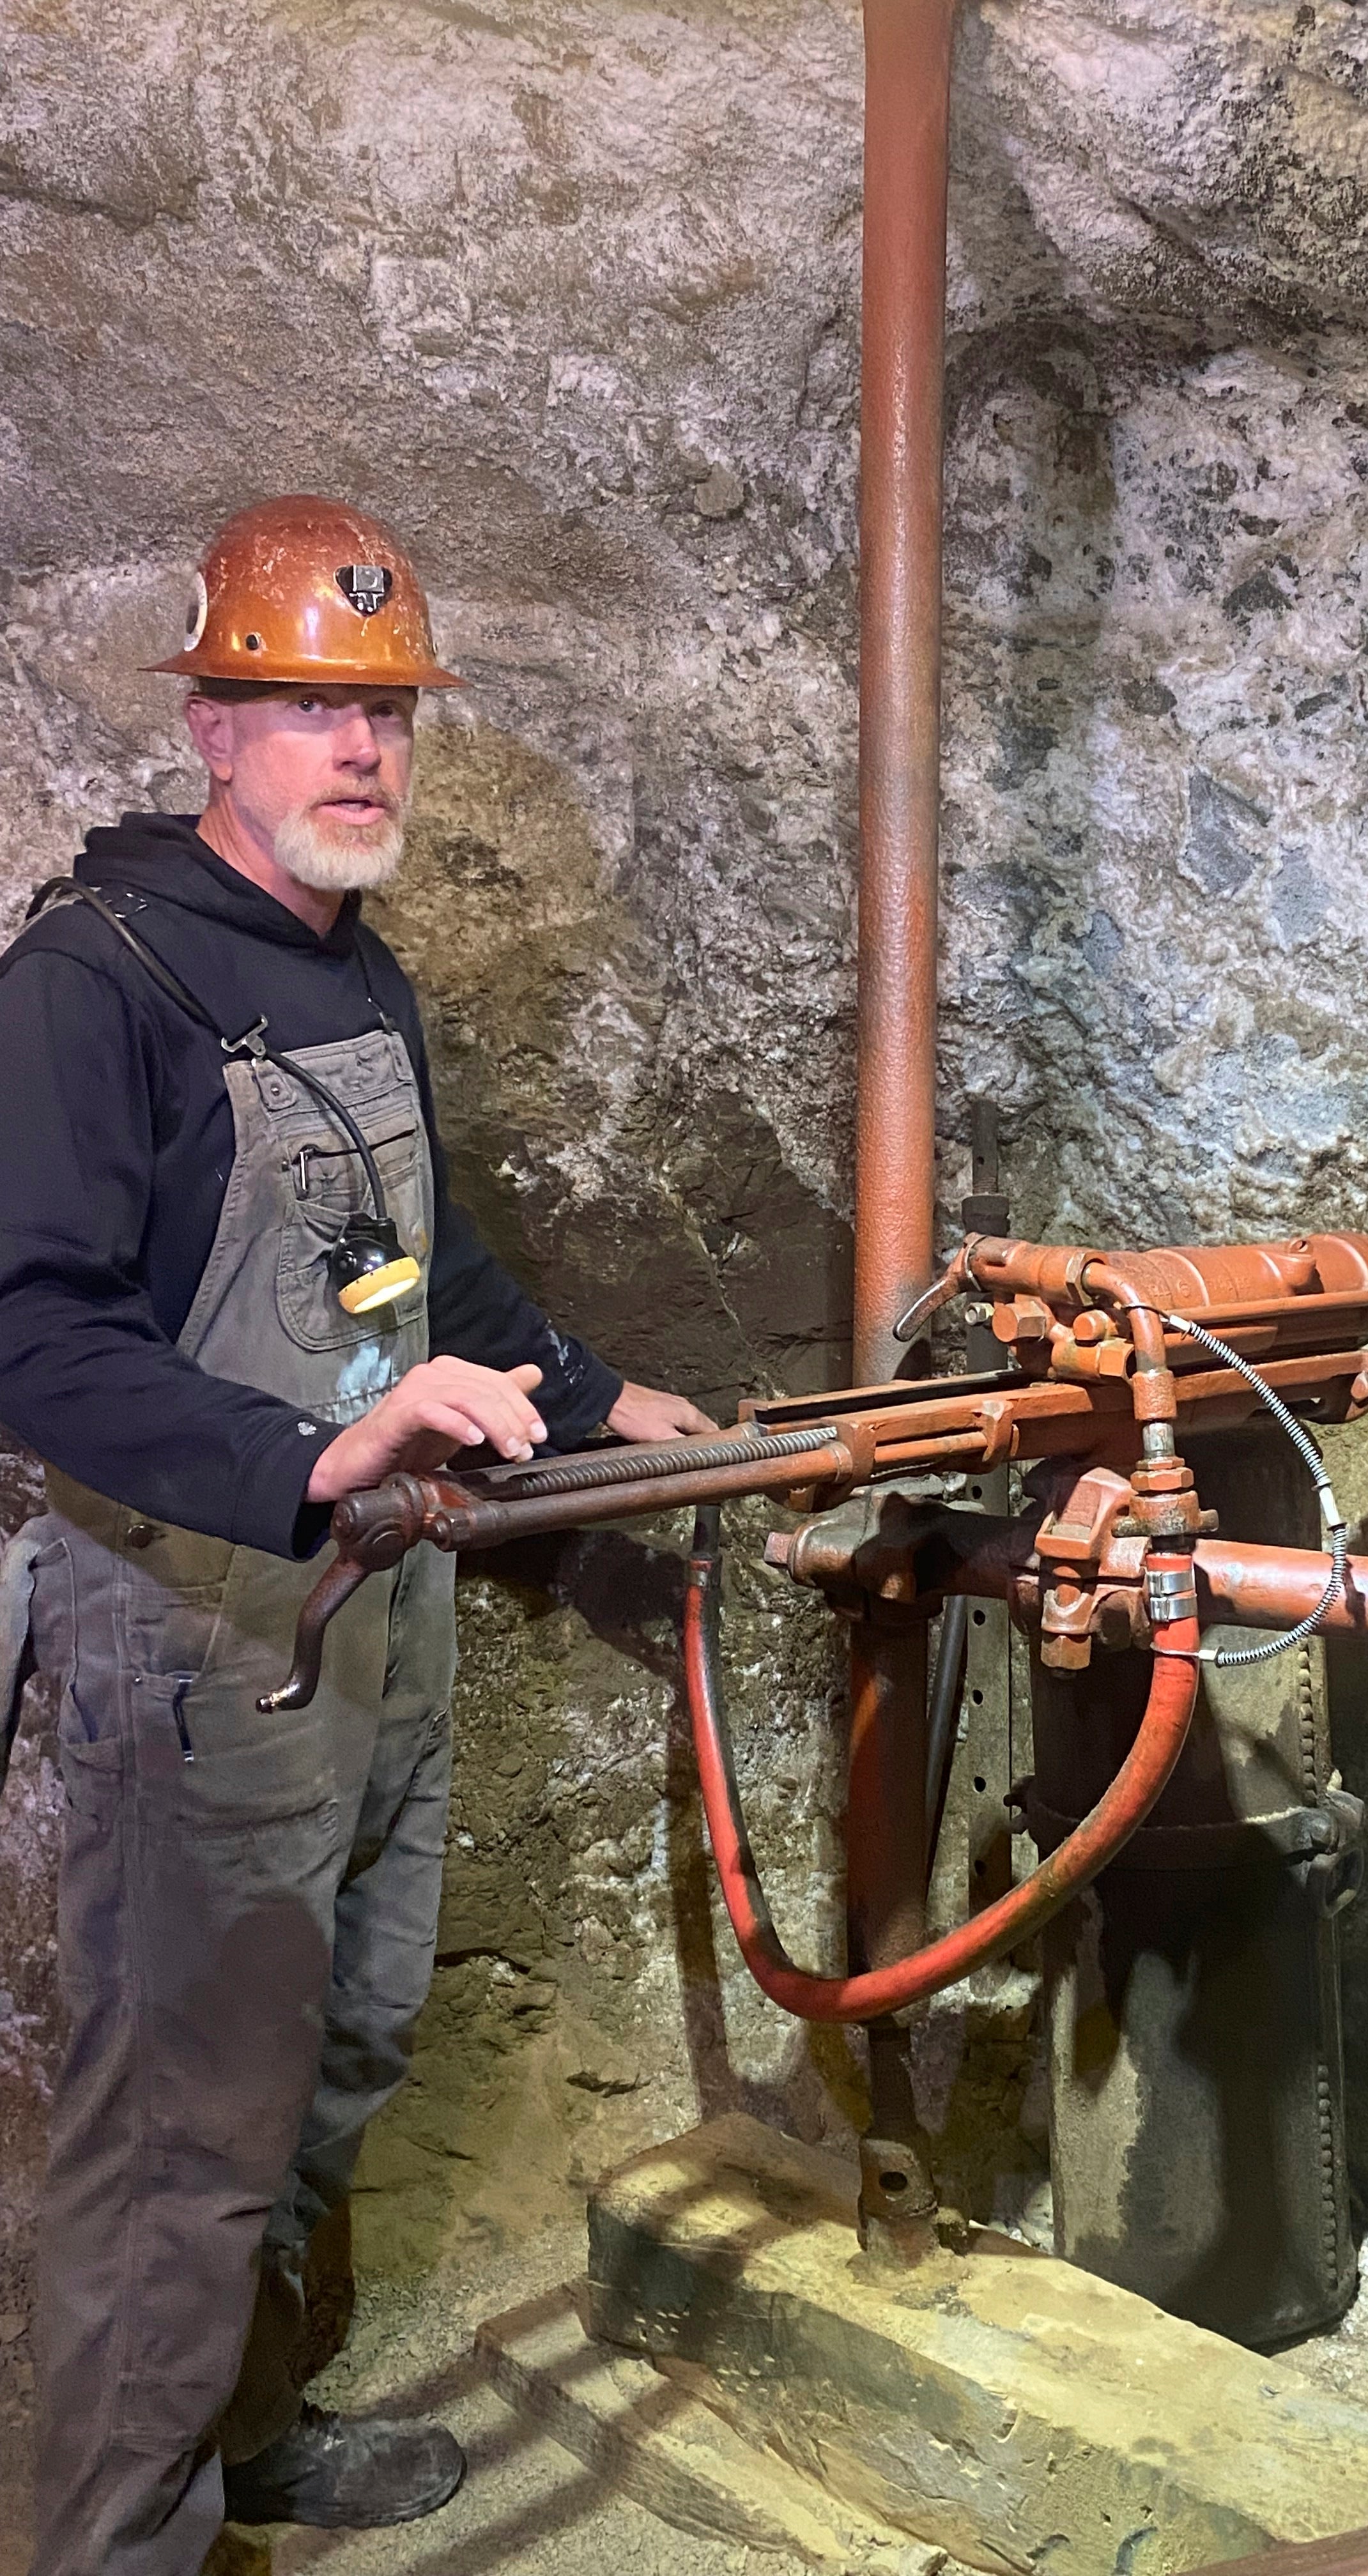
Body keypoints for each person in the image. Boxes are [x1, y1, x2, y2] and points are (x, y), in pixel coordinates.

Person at [0, 496, 715, 2576]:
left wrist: (582, 1393)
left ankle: (243, 2446)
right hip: (200, 1642)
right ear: (211, 728)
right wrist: (309, 1463)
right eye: (311, 706)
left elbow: (400, 1274)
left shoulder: (354, 970)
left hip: (376, 1622)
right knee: (173, 2156)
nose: (361, 751)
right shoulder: (91, 984)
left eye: (386, 713)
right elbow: (26, 1332)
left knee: (343, 2048)